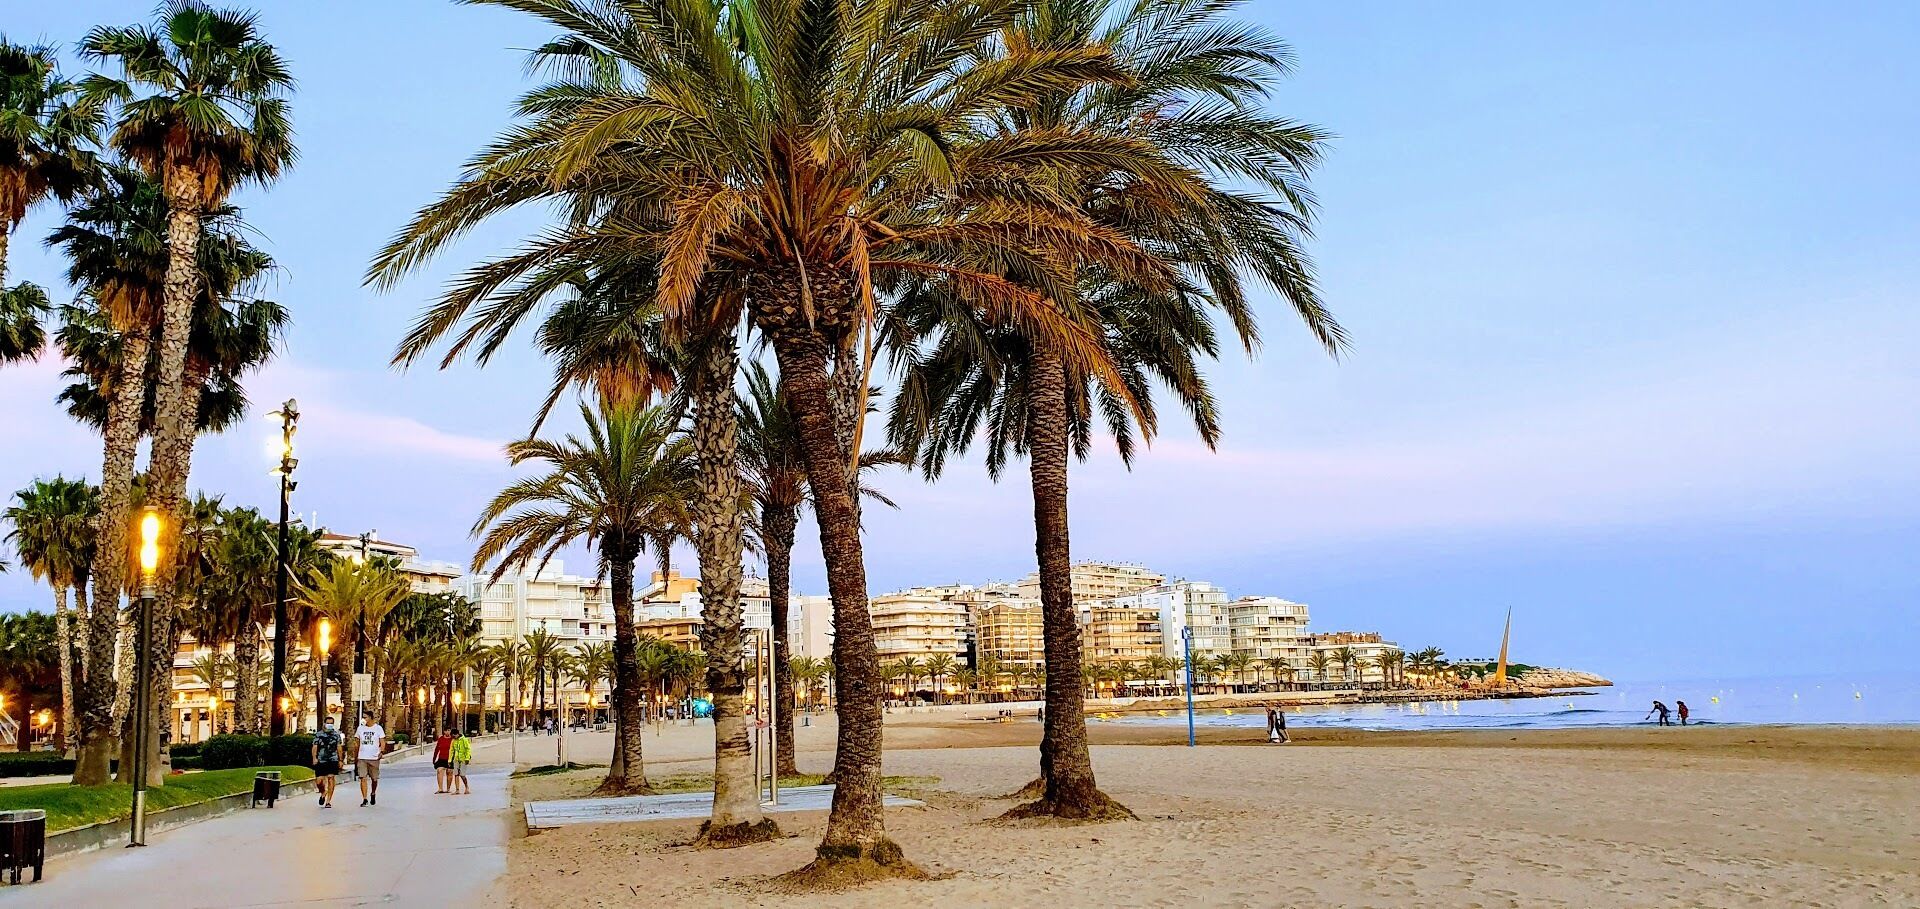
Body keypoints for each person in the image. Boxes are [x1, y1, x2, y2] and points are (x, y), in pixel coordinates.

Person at [311, 717, 345, 808]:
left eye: (331, 723)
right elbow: (315, 746)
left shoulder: (336, 735)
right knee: (319, 781)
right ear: (324, 723)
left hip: (333, 759)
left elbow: (339, 747)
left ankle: (328, 801)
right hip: (321, 759)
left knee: (331, 778)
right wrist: (314, 758)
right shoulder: (318, 734)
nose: (329, 725)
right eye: (328, 723)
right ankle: (323, 792)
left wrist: (340, 760)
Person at [354, 713, 387, 807]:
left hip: (374, 757)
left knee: (374, 779)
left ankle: (373, 793)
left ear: (371, 718)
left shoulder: (378, 728)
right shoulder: (360, 728)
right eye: (363, 717)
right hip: (362, 757)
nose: (363, 719)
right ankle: (364, 799)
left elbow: (382, 741)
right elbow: (357, 742)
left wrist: (382, 751)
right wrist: (356, 755)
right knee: (362, 778)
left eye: (365, 717)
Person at [432, 728, 454, 793]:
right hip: (441, 758)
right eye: (446, 730)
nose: (447, 732)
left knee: (449, 772)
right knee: (439, 770)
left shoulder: (453, 739)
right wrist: (434, 759)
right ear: (444, 731)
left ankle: (448, 789)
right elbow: (436, 749)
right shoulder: (441, 739)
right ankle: (440, 788)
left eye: (448, 730)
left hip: (450, 759)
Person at [451, 728, 473, 795]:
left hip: (463, 759)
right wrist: (450, 760)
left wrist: (467, 758)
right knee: (456, 774)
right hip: (456, 759)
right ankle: (457, 790)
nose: (453, 737)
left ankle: (467, 787)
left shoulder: (464, 740)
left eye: (454, 736)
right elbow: (451, 751)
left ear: (457, 734)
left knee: (462, 775)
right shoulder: (453, 741)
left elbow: (468, 749)